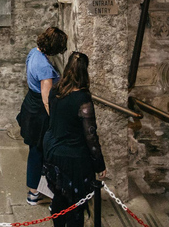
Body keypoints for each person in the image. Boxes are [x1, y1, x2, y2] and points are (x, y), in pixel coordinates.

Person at [42, 51, 107, 227]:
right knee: (76, 205)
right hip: (73, 158)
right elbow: (90, 135)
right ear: (84, 71)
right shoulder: (82, 99)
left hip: (52, 151)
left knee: (59, 198)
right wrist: (99, 164)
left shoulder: (56, 90)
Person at [16, 27, 68, 206]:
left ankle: (36, 190)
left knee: (35, 150)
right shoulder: (45, 69)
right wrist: (54, 121)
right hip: (39, 112)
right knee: (39, 152)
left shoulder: (34, 53)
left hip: (30, 103)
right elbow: (47, 100)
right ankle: (34, 193)